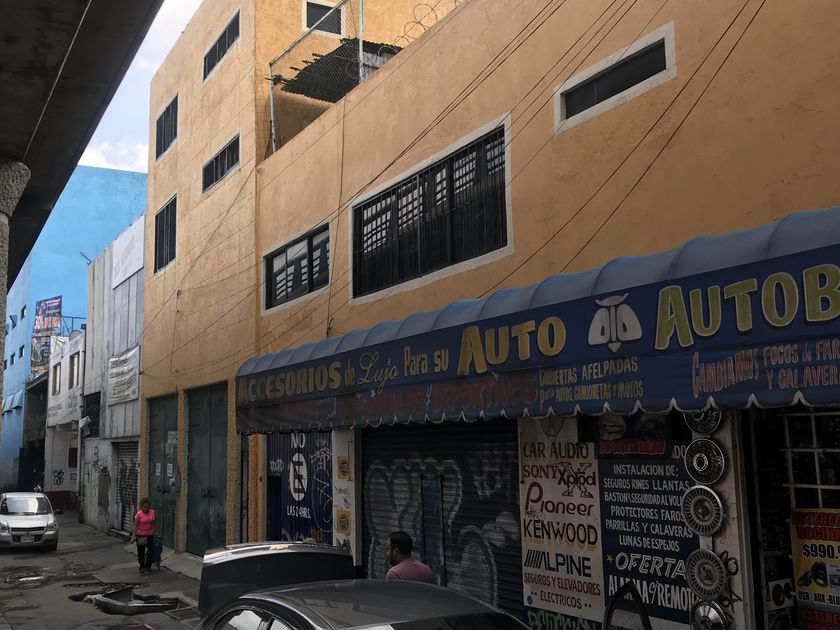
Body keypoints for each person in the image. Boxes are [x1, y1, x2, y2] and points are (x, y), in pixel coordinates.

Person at [130, 498, 157, 575]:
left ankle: (148, 566)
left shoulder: (152, 512)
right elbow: (135, 525)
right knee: (141, 552)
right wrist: (133, 536)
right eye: (144, 507)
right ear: (141, 507)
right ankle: (141, 566)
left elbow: (154, 522)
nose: (146, 508)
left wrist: (155, 531)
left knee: (151, 550)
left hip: (150, 534)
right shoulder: (139, 514)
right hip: (141, 535)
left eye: (147, 506)